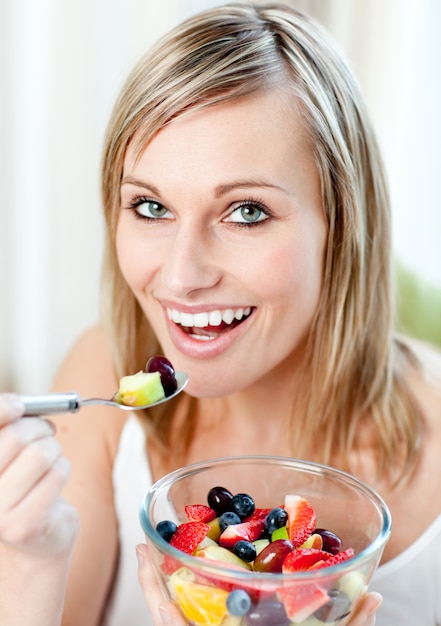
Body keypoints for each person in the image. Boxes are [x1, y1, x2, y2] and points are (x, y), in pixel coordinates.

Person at [1, 2, 440, 625]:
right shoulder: (102, 373)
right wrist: (29, 560)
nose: (182, 276)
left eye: (246, 212)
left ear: (340, 228)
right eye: (151, 207)